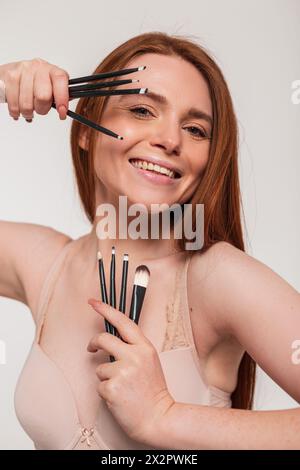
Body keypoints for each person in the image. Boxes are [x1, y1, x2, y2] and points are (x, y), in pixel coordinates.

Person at [0, 31, 299, 450]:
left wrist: (167, 417)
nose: (170, 140)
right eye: (141, 110)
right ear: (85, 131)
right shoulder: (42, 264)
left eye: (196, 129)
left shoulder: (217, 278)